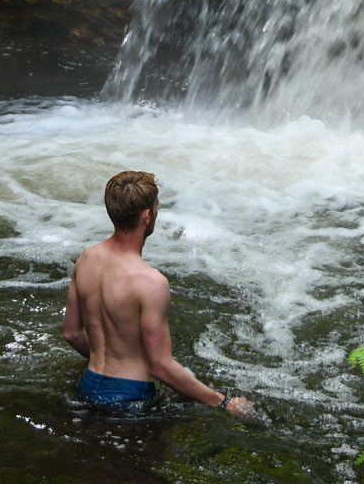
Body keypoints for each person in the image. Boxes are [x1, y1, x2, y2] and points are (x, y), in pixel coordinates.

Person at [63, 170, 251, 415]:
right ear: (147, 216)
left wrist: (107, 357)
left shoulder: (86, 259)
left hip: (88, 387)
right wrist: (223, 402)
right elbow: (160, 366)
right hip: (132, 399)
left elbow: (71, 333)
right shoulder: (151, 282)